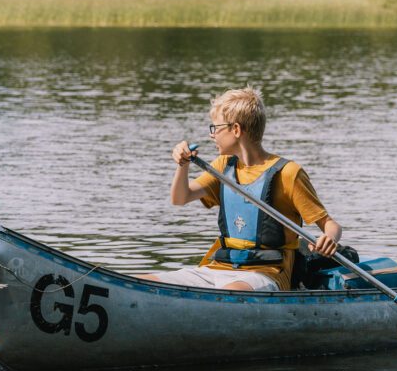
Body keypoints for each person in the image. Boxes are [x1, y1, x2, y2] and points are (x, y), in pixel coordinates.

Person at [146, 86, 342, 292]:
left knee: (230, 291)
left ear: (236, 130)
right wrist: (182, 165)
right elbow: (180, 198)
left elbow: (331, 225)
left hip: (266, 274)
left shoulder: (288, 173)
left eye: (215, 128)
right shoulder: (223, 166)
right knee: (147, 280)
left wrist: (329, 239)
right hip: (219, 268)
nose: (212, 135)